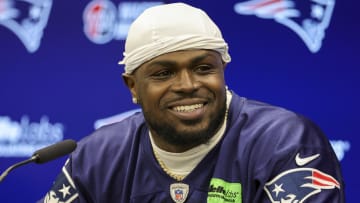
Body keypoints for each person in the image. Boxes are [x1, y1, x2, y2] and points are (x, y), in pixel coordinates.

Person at [38, 2, 345, 203]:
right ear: (133, 86)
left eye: (203, 68)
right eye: (164, 73)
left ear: (223, 71)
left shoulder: (286, 144)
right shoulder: (98, 156)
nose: (188, 85)